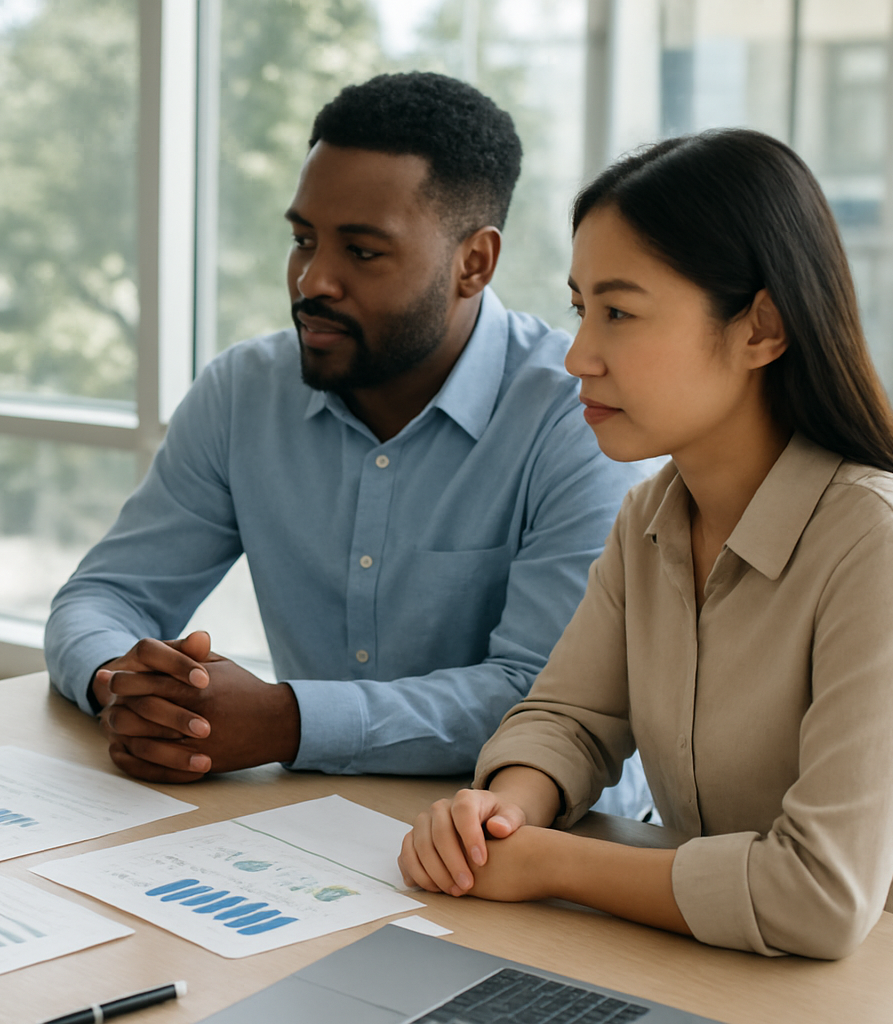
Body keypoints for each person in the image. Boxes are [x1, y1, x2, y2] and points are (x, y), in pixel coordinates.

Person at [44, 72, 653, 786]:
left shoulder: (577, 415)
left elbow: (544, 700)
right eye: (304, 240)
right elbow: (103, 596)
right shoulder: (244, 392)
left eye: (361, 252)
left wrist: (287, 720)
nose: (312, 281)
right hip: (309, 832)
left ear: (474, 263)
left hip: (540, 839)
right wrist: (130, 687)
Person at [398, 128, 893, 960]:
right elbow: (569, 718)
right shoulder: (651, 517)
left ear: (761, 329)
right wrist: (502, 814)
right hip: (705, 972)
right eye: (579, 308)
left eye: (619, 312)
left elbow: (820, 894)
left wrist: (549, 863)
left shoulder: (882, 544)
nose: (579, 356)